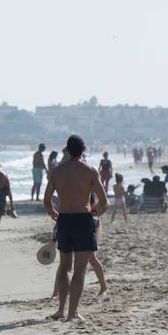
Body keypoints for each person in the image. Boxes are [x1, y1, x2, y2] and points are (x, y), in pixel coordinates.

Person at [44, 135, 107, 323]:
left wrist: (52, 213)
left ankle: (60, 310)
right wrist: (96, 212)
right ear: (83, 150)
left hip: (64, 219)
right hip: (82, 219)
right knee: (79, 269)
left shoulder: (57, 171)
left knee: (64, 267)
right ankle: (72, 313)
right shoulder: (90, 171)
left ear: (68, 150)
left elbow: (47, 199)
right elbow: (104, 200)